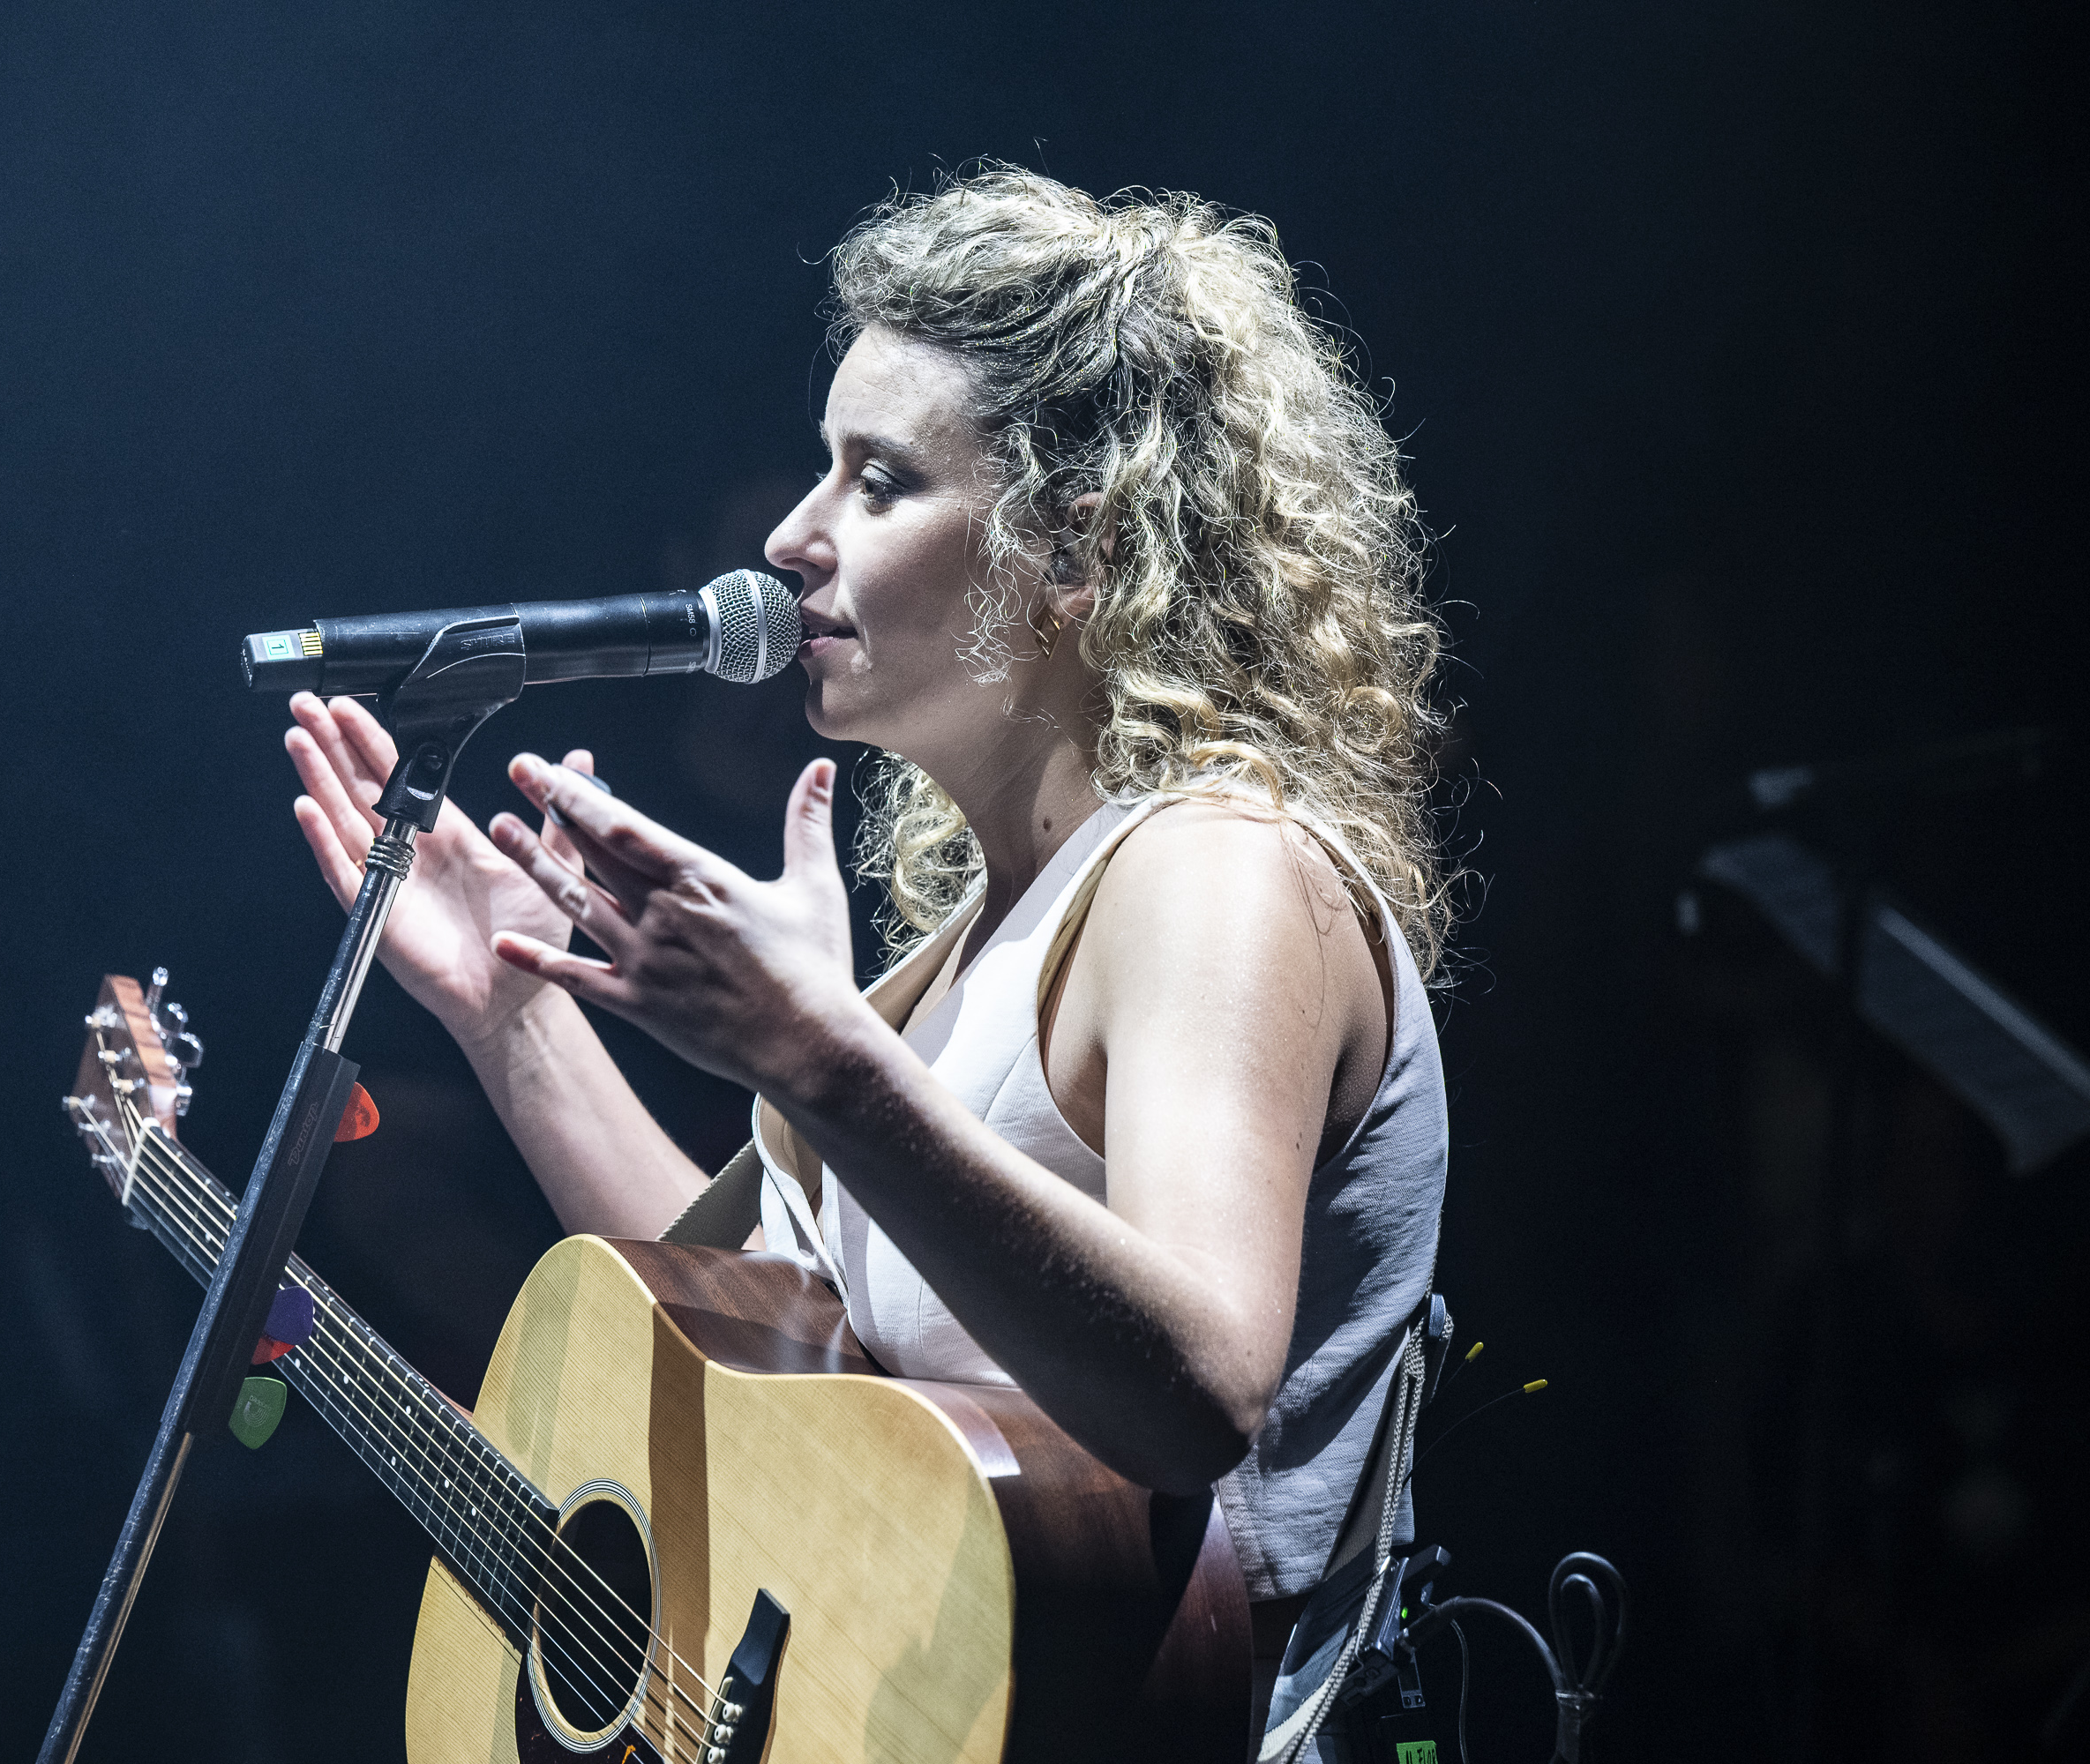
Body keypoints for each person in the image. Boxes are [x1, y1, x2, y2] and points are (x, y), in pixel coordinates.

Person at [283, 165, 1450, 1733]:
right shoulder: (964, 953)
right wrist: (513, 1020)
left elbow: (1202, 1392)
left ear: (1081, 550)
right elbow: (744, 1347)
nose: (789, 535)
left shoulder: (1214, 873)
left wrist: (819, 1061)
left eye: (879, 480)